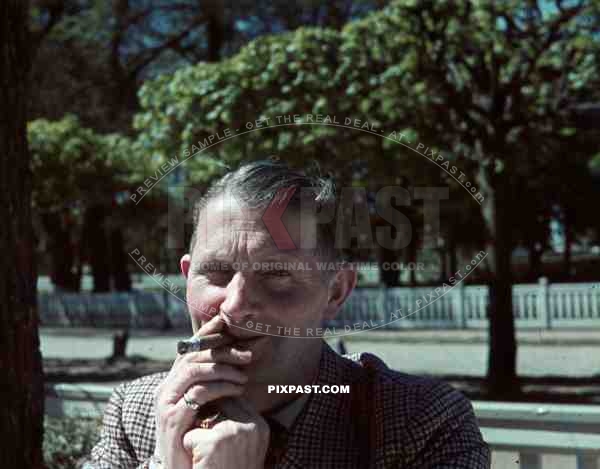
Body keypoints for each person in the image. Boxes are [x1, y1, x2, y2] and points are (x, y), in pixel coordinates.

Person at [82, 160, 490, 468]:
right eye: (218, 273)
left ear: (336, 291)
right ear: (187, 276)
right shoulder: (136, 411)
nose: (235, 305)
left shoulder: (417, 421)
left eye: (277, 274)